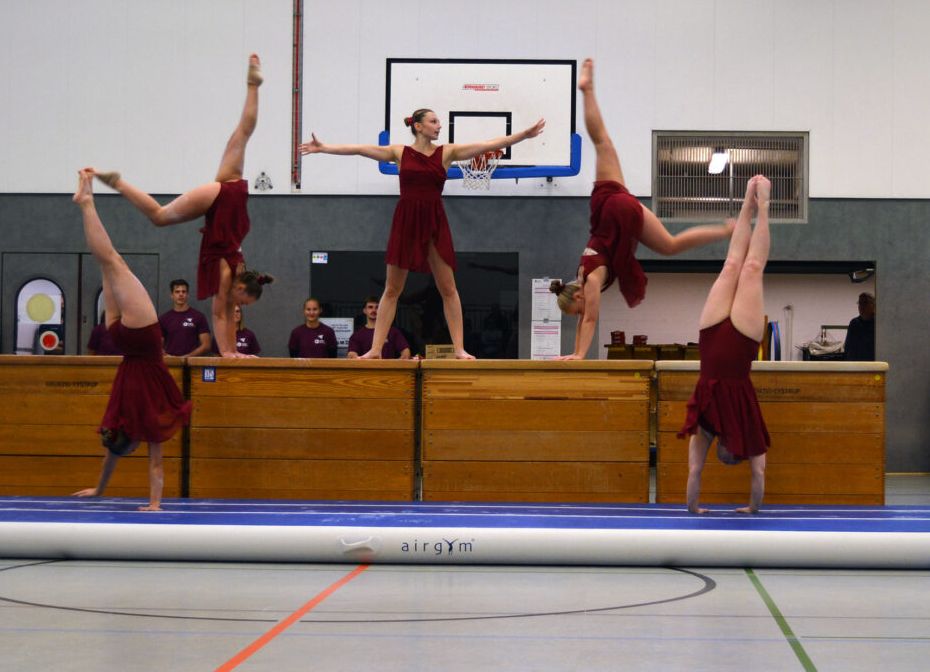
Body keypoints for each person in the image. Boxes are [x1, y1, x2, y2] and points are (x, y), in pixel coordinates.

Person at [300, 109, 545, 360]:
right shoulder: (399, 152)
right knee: (392, 288)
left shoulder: (447, 152)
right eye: (433, 121)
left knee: (448, 288)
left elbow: (488, 145)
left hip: (434, 221)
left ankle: (459, 349)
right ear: (418, 126)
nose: (439, 126)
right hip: (406, 221)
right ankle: (375, 349)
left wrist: (523, 135)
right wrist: (324, 148)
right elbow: (360, 149)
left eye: (438, 122)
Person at [550, 58, 734, 360]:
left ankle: (724, 231)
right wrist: (573, 352)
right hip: (607, 206)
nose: (579, 315)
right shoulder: (581, 274)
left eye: (575, 310)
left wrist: (579, 356)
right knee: (603, 143)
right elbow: (584, 318)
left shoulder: (591, 281)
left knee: (671, 245)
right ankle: (588, 90)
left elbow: (590, 319)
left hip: (619, 216)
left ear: (578, 295)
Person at [89, 54, 263, 358]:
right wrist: (229, 354)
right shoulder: (227, 275)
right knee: (159, 216)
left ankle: (253, 85)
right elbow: (220, 314)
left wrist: (233, 351)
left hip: (232, 198)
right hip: (222, 202)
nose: (240, 307)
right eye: (243, 302)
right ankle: (120, 184)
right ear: (241, 289)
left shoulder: (240, 270)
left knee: (242, 135)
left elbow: (227, 312)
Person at [71, 170, 193, 510]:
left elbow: (155, 464)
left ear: (132, 441)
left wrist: (154, 504)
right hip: (123, 338)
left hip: (142, 341)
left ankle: (87, 203)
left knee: (112, 261)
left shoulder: (142, 421)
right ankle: (86, 202)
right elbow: (113, 455)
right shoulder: (119, 421)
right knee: (107, 262)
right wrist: (100, 490)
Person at [680, 174, 772, 515]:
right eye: (735, 456)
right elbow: (759, 473)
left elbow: (694, 470)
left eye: (725, 456)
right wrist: (752, 508)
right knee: (751, 269)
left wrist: (694, 509)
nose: (728, 455)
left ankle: (748, 204)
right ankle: (763, 205)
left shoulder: (706, 426)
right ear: (739, 449)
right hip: (743, 340)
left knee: (733, 265)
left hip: (711, 335)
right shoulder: (749, 425)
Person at [158, 279, 212, 357]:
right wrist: (169, 357)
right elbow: (158, 346)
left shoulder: (199, 316)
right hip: (171, 363)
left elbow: (206, 345)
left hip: (191, 362)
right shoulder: (164, 319)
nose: (181, 294)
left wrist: (186, 357)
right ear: (172, 295)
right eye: (177, 292)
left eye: (183, 292)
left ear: (187, 294)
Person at [844, 292, 875, 361]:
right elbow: (848, 347)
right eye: (860, 303)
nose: (862, 307)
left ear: (874, 306)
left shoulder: (878, 324)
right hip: (856, 363)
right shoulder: (854, 323)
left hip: (873, 363)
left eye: (865, 303)